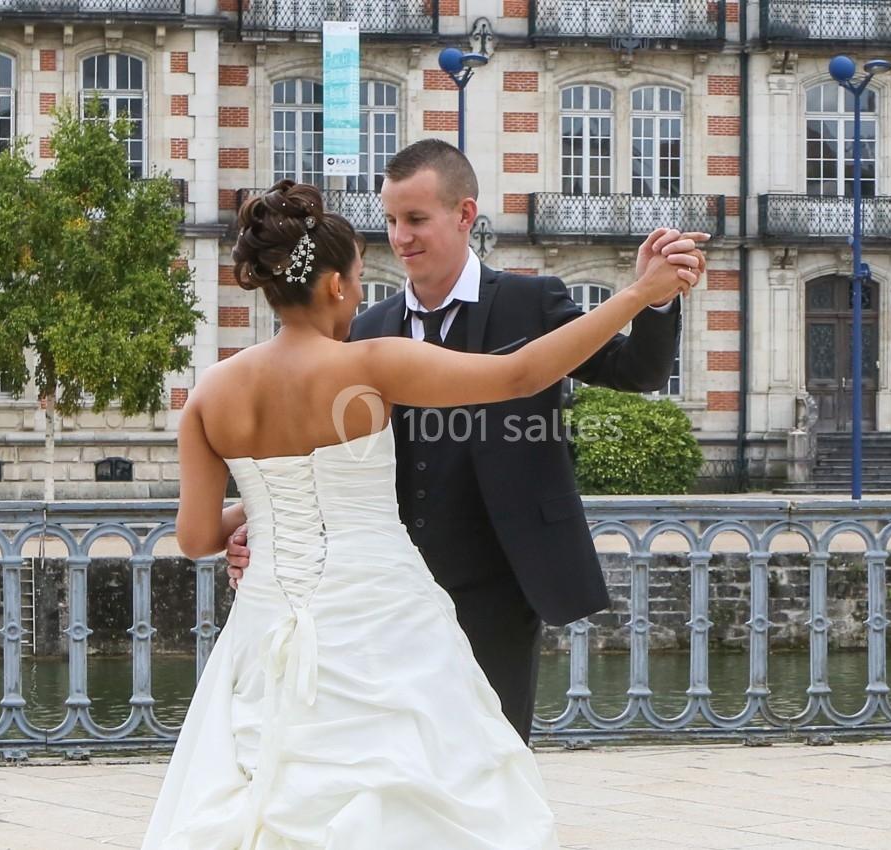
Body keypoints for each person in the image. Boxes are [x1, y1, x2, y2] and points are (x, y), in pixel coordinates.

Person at [140, 180, 701, 848]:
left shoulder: (210, 393)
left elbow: (196, 536)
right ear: (336, 286)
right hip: (381, 610)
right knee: (424, 781)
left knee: (267, 779)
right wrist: (637, 294)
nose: (360, 294)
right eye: (357, 278)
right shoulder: (370, 363)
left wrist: (264, 507)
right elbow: (520, 375)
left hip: (267, 617)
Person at [226, 139, 706, 742]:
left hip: (504, 577)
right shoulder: (366, 330)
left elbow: (637, 371)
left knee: (494, 749)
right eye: (392, 221)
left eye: (415, 219)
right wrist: (261, 526)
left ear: (465, 215)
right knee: (399, 751)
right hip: (389, 584)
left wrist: (654, 300)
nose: (400, 237)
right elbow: (325, 458)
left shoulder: (532, 302)